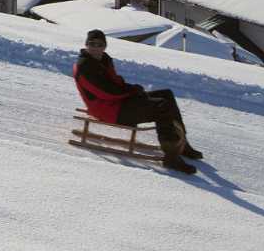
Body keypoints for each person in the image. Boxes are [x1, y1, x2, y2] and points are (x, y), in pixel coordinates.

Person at [73, 29, 203, 174]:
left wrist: (131, 90)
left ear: (105, 46)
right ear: (86, 45)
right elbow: (106, 92)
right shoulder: (85, 66)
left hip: (117, 102)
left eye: (100, 44)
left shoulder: (103, 59)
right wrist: (132, 91)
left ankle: (182, 144)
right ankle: (171, 157)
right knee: (162, 106)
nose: (96, 48)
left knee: (166, 94)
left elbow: (115, 83)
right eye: (92, 44)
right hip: (108, 110)